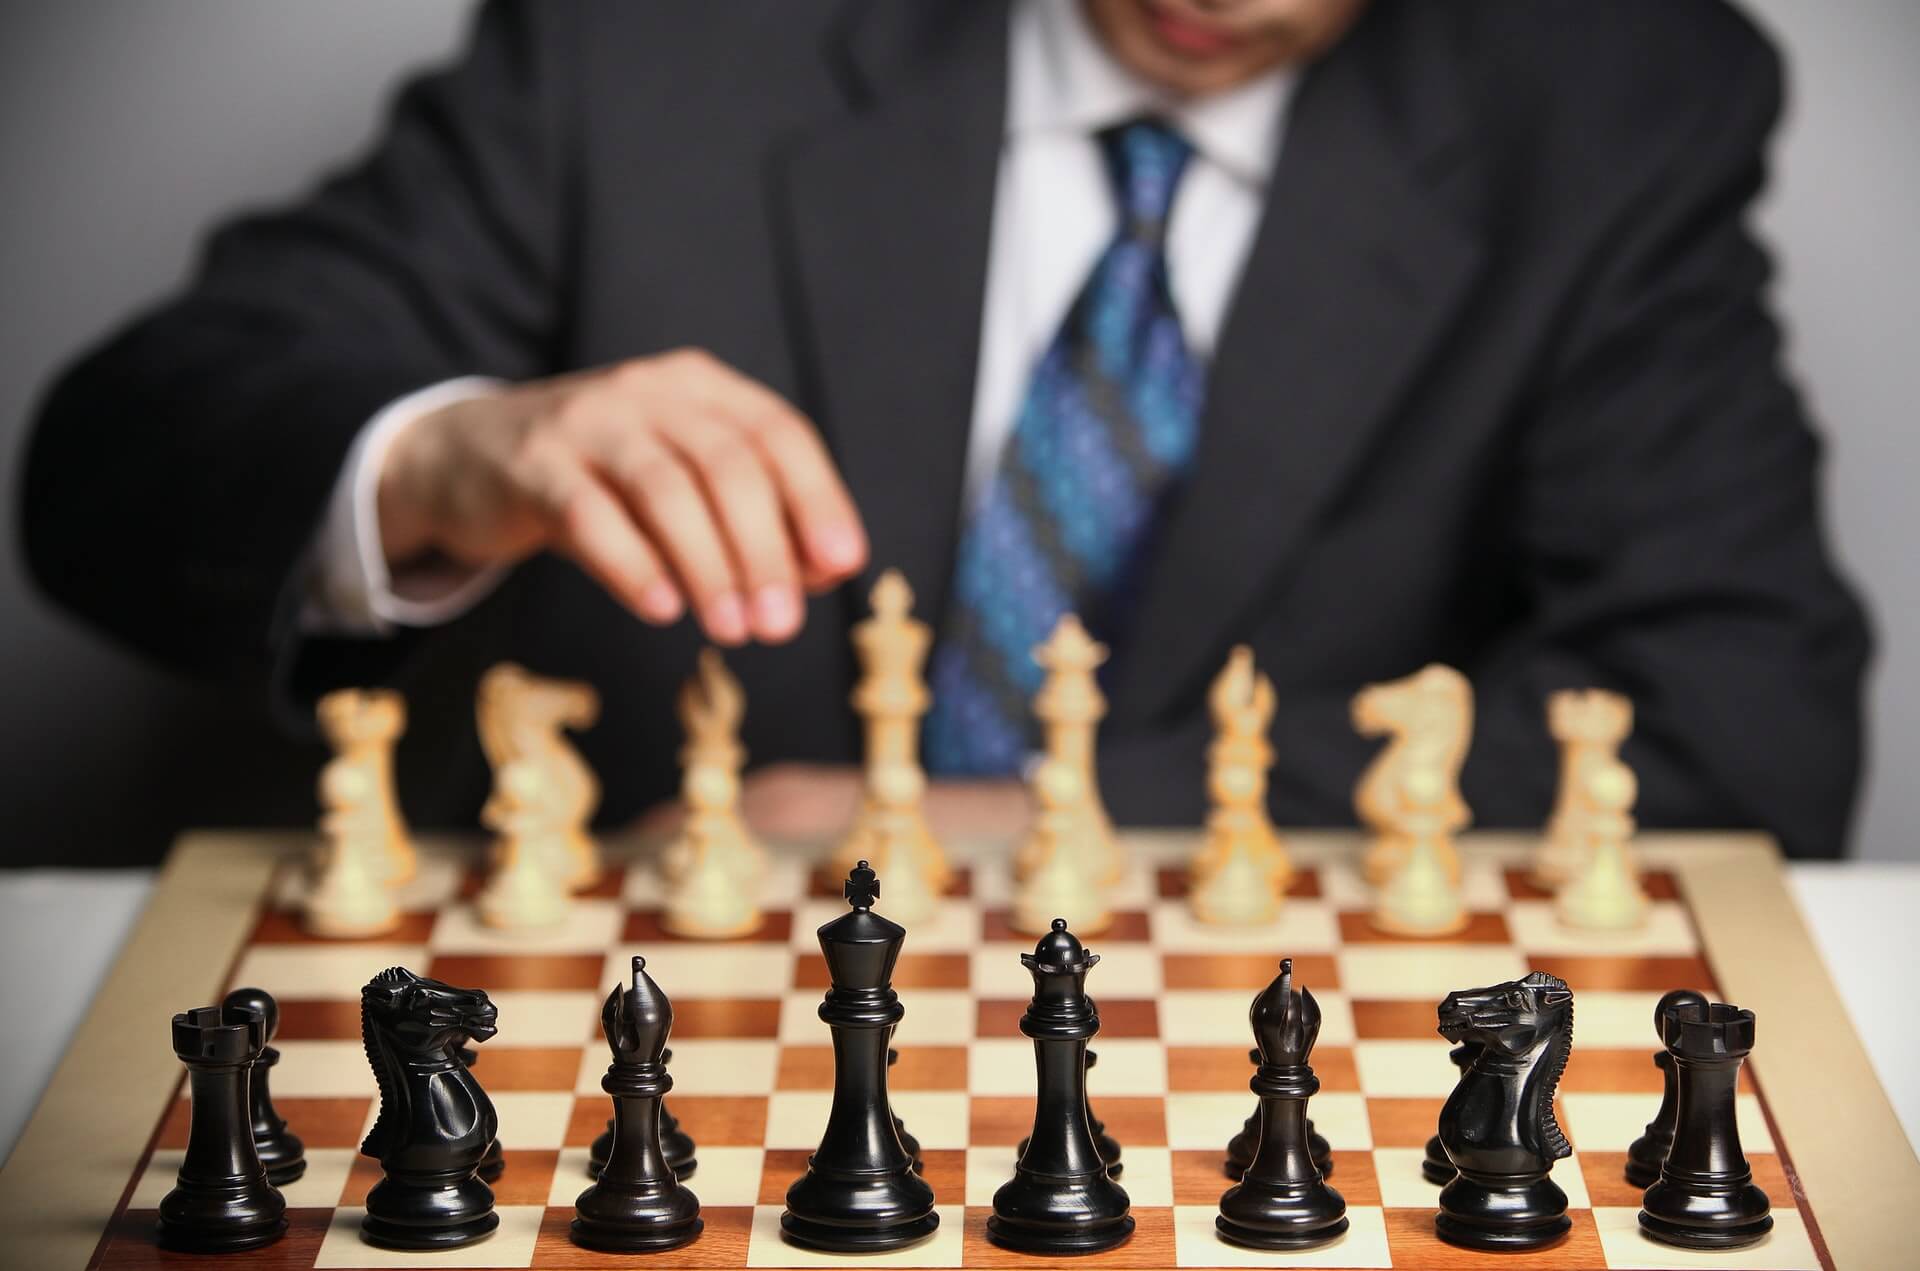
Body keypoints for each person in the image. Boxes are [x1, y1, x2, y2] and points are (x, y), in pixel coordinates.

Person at [21, 0, 1870, 857]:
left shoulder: (1621, 94)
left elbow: (1743, 723)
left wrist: (975, 823)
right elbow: (112, 465)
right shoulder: (652, 37)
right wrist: (439, 456)